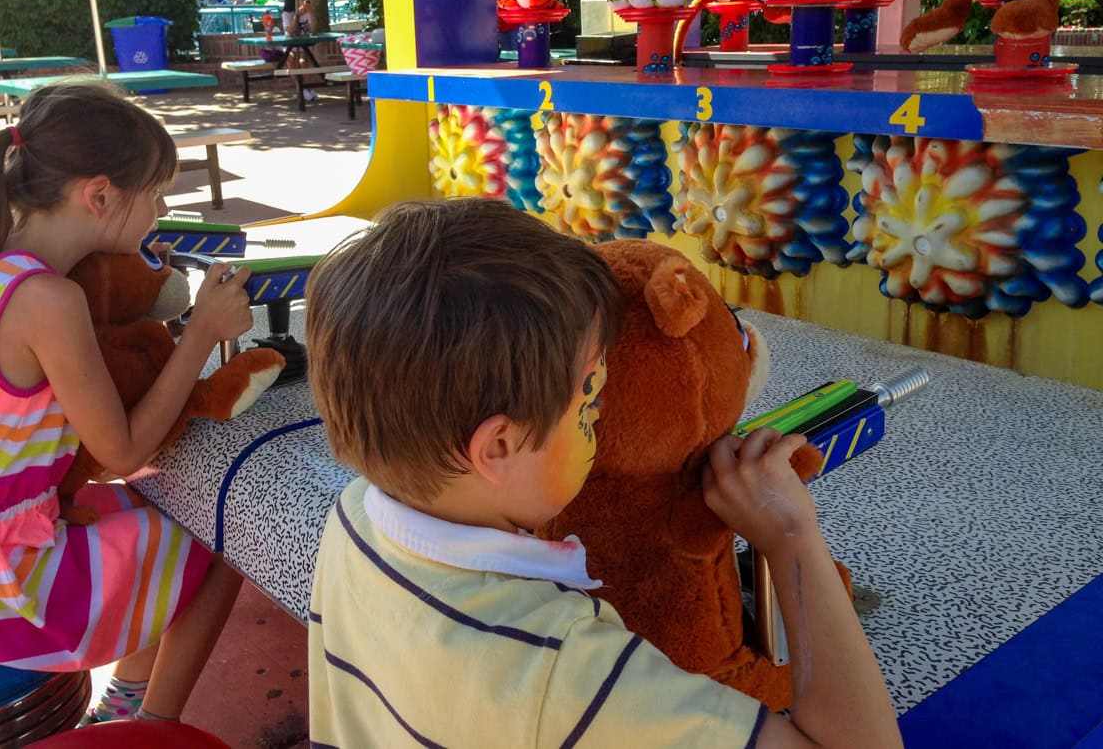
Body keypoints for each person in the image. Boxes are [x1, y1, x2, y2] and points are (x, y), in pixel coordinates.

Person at [304, 197, 903, 748]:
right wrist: (791, 537)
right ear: (500, 445)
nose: (600, 414)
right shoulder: (569, 675)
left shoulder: (354, 516)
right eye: (591, 401)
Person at [0, 81, 251, 725]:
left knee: (150, 510)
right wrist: (202, 331)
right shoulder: (49, 302)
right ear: (99, 196)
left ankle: (130, 702)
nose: (160, 210)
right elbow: (123, 449)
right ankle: (145, 726)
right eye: (153, 194)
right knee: (227, 536)